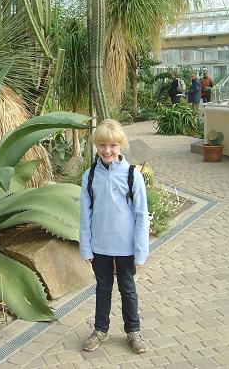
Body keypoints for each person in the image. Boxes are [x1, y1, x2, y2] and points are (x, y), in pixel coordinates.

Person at [79, 119, 150, 354]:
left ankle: (133, 332)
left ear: (121, 146)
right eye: (102, 145)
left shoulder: (132, 176)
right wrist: (86, 248)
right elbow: (85, 215)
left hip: (126, 247)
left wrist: (140, 251)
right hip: (100, 246)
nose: (107, 150)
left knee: (128, 290)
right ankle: (100, 329)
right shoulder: (89, 176)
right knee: (102, 288)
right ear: (96, 146)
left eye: (112, 145)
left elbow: (141, 215)